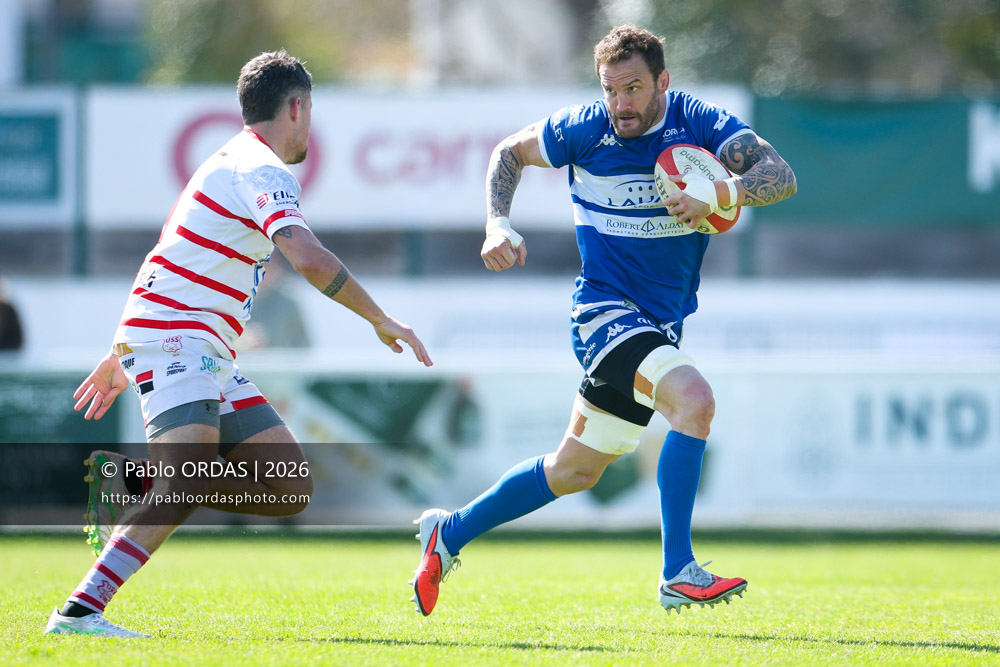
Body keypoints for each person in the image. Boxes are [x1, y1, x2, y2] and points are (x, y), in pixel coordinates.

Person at [410, 24, 796, 617]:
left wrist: (726, 193)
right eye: (611, 90)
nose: (621, 105)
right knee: (694, 400)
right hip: (604, 315)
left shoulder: (701, 124)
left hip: (658, 326)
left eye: (634, 89)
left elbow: (781, 176)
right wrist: (496, 223)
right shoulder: (584, 127)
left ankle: (449, 532)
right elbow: (508, 152)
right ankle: (678, 571)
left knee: (574, 471)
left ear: (663, 82)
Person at [46, 49, 433, 638]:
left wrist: (120, 349)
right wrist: (380, 318)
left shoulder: (228, 162)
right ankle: (79, 611)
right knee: (191, 475)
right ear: (297, 107)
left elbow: (168, 254)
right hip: (180, 338)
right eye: (311, 111)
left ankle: (134, 484)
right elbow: (305, 255)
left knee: (287, 486)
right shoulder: (261, 169)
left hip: (195, 346)